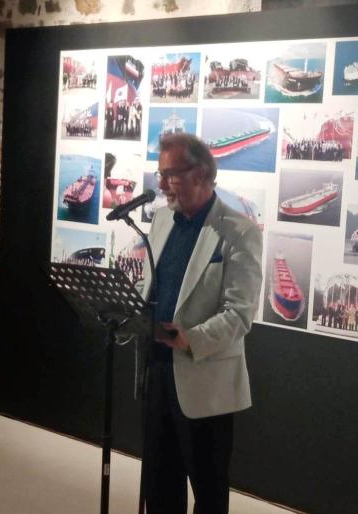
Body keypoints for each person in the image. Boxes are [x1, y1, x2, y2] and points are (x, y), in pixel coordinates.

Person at [141, 133, 263, 514]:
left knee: (209, 494)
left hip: (206, 378)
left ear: (201, 173)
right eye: (160, 175)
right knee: (159, 487)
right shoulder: (161, 219)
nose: (162, 185)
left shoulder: (239, 231)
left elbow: (240, 313)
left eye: (170, 175)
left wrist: (190, 339)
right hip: (158, 371)